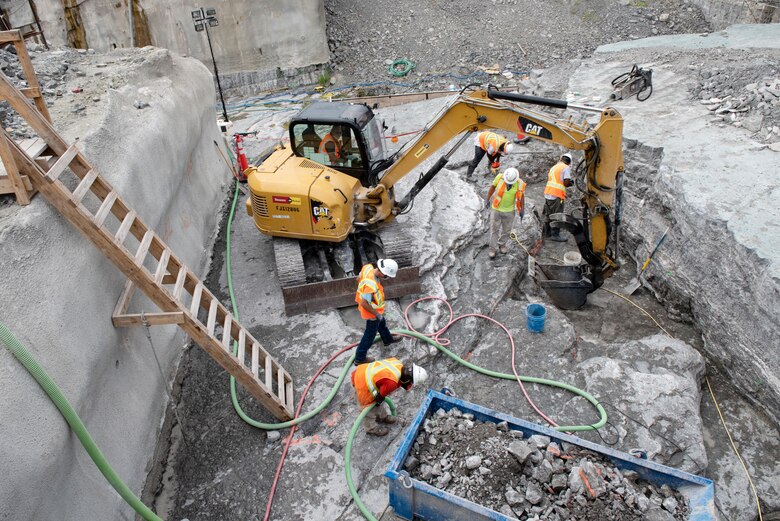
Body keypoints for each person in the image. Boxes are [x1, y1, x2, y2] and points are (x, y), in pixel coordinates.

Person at [351, 357, 429, 436]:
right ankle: (371, 429)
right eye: (411, 382)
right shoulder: (392, 382)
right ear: (409, 379)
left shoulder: (398, 362)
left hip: (362, 370)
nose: (410, 384)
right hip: (360, 380)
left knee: (378, 402)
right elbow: (380, 397)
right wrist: (377, 402)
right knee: (369, 406)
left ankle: (382, 417)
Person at [353, 258, 402, 365]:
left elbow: (358, 279)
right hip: (370, 312)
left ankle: (387, 339)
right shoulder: (371, 285)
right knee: (369, 335)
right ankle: (360, 358)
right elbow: (364, 303)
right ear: (381, 272)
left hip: (375, 310)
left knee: (382, 323)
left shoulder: (368, 267)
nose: (386, 278)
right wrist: (376, 314)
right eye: (386, 276)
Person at [485, 167, 526, 259]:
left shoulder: (520, 184)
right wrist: (487, 199)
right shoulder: (499, 178)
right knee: (494, 230)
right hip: (496, 209)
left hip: (509, 211)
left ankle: (502, 244)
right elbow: (492, 187)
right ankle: (492, 249)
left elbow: (522, 196)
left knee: (506, 230)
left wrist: (522, 209)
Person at [543, 153, 574, 242]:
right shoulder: (566, 168)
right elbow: (566, 182)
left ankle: (547, 233)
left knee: (549, 213)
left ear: (561, 159)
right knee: (557, 215)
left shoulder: (554, 167)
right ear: (569, 162)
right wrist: (571, 183)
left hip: (548, 193)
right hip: (557, 195)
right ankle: (555, 235)